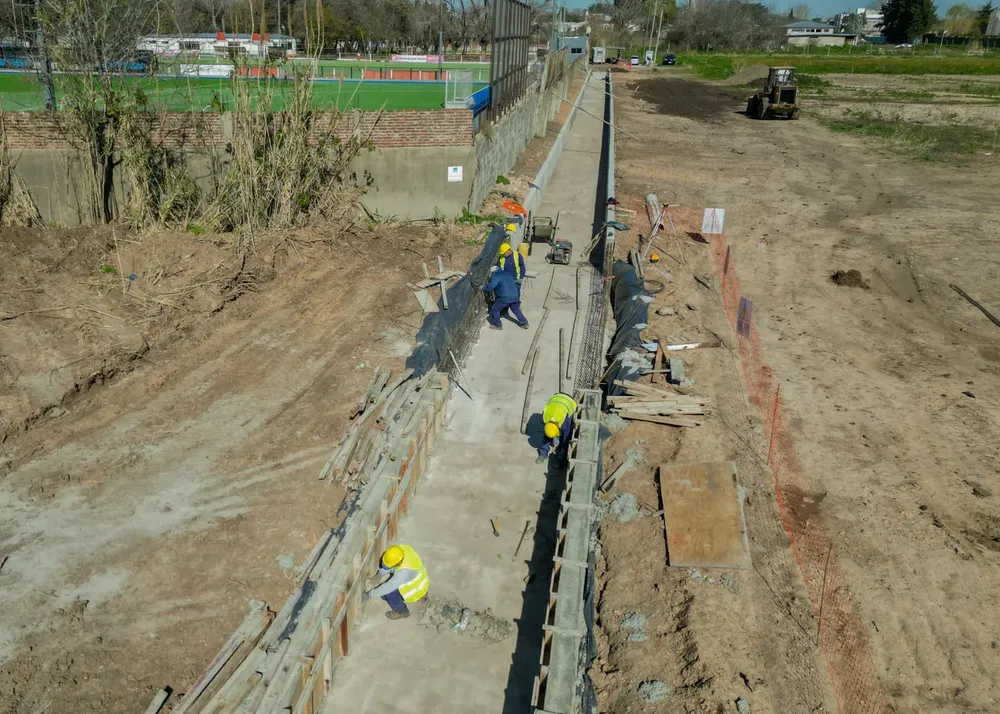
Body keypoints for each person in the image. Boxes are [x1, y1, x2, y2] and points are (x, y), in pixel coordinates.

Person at [364, 544, 430, 620]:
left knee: (388, 594)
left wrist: (369, 594)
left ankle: (401, 611)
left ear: (398, 563)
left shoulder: (403, 573)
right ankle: (423, 595)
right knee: (383, 593)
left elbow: (387, 588)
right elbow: (389, 564)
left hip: (416, 588)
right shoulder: (401, 550)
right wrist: (379, 576)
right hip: (421, 580)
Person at [482, 266, 529, 331]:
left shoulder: (496, 275)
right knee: (515, 309)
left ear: (492, 272)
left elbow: (491, 287)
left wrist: (483, 288)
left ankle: (498, 325)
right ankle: (524, 323)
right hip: (515, 295)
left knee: (495, 309)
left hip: (505, 297)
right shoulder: (507, 274)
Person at [536, 392, 577, 464]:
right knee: (547, 435)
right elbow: (549, 431)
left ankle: (561, 452)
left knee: (565, 437)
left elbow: (565, 435)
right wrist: (554, 436)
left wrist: (560, 443)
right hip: (556, 398)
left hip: (569, 402)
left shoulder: (564, 423)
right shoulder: (544, 418)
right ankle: (543, 454)